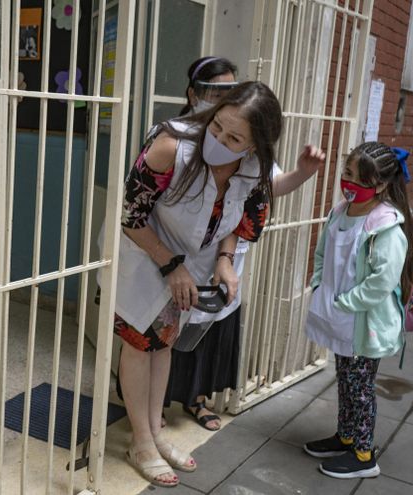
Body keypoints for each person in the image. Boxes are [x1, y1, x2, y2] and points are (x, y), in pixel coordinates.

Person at [103, 80, 324, 487]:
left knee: (164, 343)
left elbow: (243, 219)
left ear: (254, 146)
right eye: (217, 126)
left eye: (234, 137)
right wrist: (171, 266)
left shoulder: (254, 169)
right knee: (139, 344)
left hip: (190, 267)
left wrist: (225, 260)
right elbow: (131, 216)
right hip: (143, 255)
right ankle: (140, 442)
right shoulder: (172, 147)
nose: (220, 139)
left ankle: (155, 430)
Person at [165, 56, 323, 431]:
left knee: (206, 329)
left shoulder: (248, 152)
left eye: (228, 90)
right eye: (214, 92)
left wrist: (302, 173)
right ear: (194, 93)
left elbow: (265, 190)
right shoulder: (176, 138)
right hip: (173, 255)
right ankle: (153, 405)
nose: (222, 137)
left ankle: (196, 399)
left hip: (221, 257)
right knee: (160, 332)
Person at [302, 142, 413, 479]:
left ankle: (365, 453)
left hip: (363, 322)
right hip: (340, 315)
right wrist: (318, 285)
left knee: (361, 386)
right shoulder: (341, 211)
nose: (347, 181)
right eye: (346, 173)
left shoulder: (386, 225)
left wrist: (345, 303)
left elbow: (382, 282)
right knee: (344, 379)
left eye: (355, 177)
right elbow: (323, 252)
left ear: (380, 184)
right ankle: (346, 436)